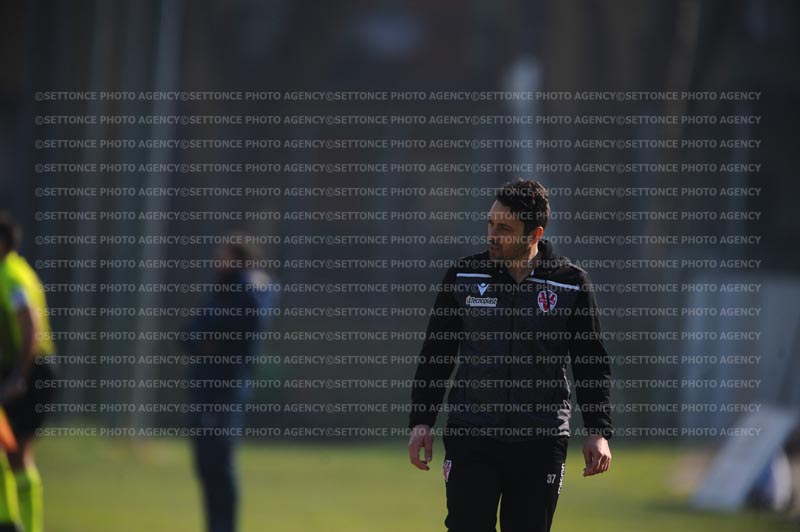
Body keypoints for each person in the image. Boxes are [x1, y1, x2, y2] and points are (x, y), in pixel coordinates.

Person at [408, 179, 614, 532]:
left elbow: (590, 361)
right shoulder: (464, 276)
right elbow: (437, 353)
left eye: (505, 228)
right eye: (491, 223)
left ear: (535, 234)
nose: (493, 235)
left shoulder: (570, 283)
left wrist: (598, 430)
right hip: (472, 434)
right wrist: (421, 421)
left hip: (541, 439)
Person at [179, 236, 279, 532]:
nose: (217, 261)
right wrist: (209, 334)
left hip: (225, 389)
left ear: (240, 259)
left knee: (220, 462)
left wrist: (214, 332)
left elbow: (249, 316)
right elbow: (188, 336)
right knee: (205, 464)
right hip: (203, 386)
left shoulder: (251, 287)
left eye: (223, 256)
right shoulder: (220, 290)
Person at [0, 212, 56, 532]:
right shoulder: (16, 269)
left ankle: (16, 523)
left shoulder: (10, 276)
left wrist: (19, 375)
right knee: (13, 451)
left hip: (30, 369)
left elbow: (29, 325)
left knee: (17, 450)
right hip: (27, 368)